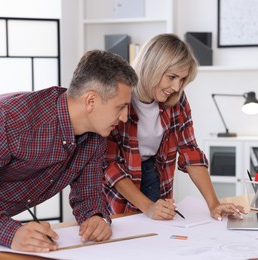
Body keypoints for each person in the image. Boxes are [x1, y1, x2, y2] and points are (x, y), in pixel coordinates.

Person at [0, 50, 138, 252]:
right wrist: (11, 233)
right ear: (91, 101)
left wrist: (96, 218)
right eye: (120, 107)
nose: (124, 117)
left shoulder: (96, 137)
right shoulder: (11, 117)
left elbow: (88, 195)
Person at [103, 34, 245, 221]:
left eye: (182, 79)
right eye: (172, 77)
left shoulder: (176, 99)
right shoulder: (119, 94)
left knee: (159, 232)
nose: (177, 87)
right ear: (152, 67)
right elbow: (110, 165)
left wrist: (214, 204)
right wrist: (148, 207)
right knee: (123, 231)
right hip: (118, 181)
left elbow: (190, 151)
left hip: (152, 172)